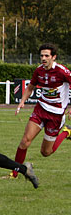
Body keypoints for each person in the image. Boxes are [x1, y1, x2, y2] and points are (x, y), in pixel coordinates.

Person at [10, 43, 71, 178]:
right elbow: (30, 87)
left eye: (46, 56)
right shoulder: (39, 71)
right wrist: (22, 102)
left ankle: (66, 132)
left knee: (46, 152)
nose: (43, 58)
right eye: (42, 55)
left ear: (53, 57)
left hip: (56, 115)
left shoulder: (62, 71)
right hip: (41, 109)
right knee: (25, 141)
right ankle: (14, 173)